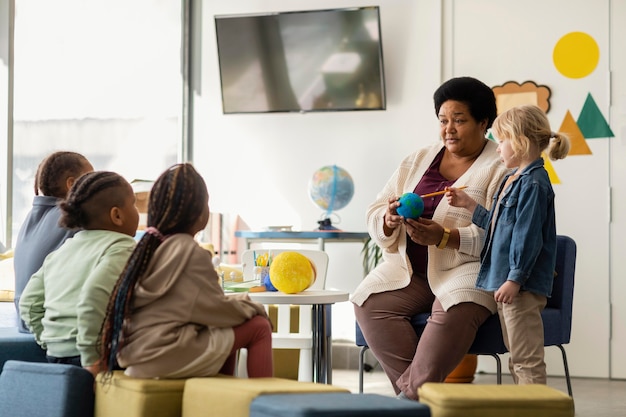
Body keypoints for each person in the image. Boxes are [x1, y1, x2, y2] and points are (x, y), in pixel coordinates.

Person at [351, 76, 510, 400]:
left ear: (484, 122)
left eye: (459, 120)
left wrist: (446, 237)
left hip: (469, 271)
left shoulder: (502, 167)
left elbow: (505, 238)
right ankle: (424, 402)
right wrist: (388, 217)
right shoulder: (419, 158)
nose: (448, 129)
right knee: (369, 302)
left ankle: (409, 402)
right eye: (443, 120)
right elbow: (376, 208)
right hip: (408, 271)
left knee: (454, 306)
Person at [99, 163, 273, 380]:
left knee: (226, 329)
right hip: (165, 354)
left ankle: (221, 395)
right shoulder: (188, 251)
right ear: (198, 212)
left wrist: (242, 302)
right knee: (258, 326)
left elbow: (197, 305)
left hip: (136, 355)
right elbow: (216, 309)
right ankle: (266, 403)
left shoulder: (149, 247)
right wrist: (254, 307)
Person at [446, 104, 570, 385]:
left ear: (520, 141)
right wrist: (469, 204)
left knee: (526, 361)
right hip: (511, 283)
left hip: (521, 288)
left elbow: (527, 238)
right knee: (518, 358)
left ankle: (537, 410)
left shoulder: (533, 184)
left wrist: (514, 279)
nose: (497, 146)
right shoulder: (514, 180)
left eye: (501, 140)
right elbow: (500, 227)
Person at [19, 171, 139, 376]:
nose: (137, 211)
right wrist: (91, 358)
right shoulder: (122, 247)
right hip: (93, 358)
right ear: (117, 215)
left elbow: (28, 302)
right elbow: (94, 298)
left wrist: (50, 339)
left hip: (55, 354)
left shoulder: (65, 249)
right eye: (134, 204)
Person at [13, 151, 94, 332]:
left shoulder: (31, 217)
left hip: (24, 318)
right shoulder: (74, 217)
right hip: (47, 323)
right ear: (72, 184)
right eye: (89, 180)